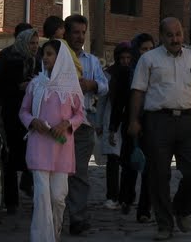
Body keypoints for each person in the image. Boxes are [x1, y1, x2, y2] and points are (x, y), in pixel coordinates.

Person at [128, 18, 191, 241]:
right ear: (161, 37)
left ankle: (182, 208)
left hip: (187, 122)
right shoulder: (149, 59)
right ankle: (164, 224)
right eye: (170, 35)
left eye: (178, 34)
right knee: (158, 175)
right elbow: (138, 91)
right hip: (157, 121)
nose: (175, 39)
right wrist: (134, 120)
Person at [20, 39, 85, 242]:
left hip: (62, 148)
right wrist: (32, 121)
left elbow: (80, 114)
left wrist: (67, 124)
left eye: (50, 54)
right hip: (39, 145)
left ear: (60, 58)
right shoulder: (36, 84)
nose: (45, 58)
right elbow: (23, 111)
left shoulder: (71, 87)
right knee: (41, 196)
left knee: (58, 197)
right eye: (44, 54)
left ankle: (54, 233)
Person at [63, 14, 108, 237]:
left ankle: (77, 218)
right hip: (59, 124)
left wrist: (92, 84)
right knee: (59, 172)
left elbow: (104, 86)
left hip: (84, 123)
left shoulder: (91, 61)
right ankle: (55, 215)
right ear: (66, 33)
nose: (80, 36)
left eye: (83, 32)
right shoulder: (59, 57)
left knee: (79, 172)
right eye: (75, 32)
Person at [0, 27, 40, 213]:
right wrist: (18, 86)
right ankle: (11, 202)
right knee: (11, 159)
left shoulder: (38, 61)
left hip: (32, 114)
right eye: (31, 43)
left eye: (37, 43)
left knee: (34, 154)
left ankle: (30, 187)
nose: (35, 47)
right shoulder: (9, 59)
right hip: (12, 114)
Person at [114, 32, 155, 221]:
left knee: (149, 169)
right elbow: (119, 102)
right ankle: (126, 198)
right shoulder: (126, 72)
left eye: (150, 49)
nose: (147, 53)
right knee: (130, 164)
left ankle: (144, 210)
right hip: (130, 125)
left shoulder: (157, 70)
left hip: (152, 124)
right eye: (143, 49)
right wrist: (113, 128)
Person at [99, 42, 132, 210]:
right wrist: (99, 123)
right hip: (111, 119)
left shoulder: (135, 74)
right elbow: (103, 102)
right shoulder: (109, 75)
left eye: (128, 58)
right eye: (122, 58)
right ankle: (112, 196)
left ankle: (126, 196)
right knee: (112, 160)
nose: (125, 61)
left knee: (128, 160)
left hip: (130, 120)